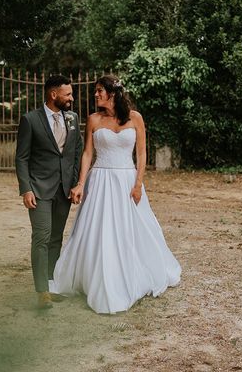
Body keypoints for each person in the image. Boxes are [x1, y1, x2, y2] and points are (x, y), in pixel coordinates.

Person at [49, 75, 181, 314]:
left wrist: (138, 183)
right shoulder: (93, 119)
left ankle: (133, 271)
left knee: (132, 228)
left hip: (127, 180)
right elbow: (88, 154)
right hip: (100, 181)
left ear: (113, 93)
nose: (95, 95)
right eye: (95, 91)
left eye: (99, 91)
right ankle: (97, 277)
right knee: (99, 231)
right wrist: (80, 183)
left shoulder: (135, 118)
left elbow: (141, 154)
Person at [15, 75, 84, 309]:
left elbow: (76, 152)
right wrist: (26, 189)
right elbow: (21, 157)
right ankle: (41, 291)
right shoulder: (30, 120)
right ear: (53, 94)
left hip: (64, 190)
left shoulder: (73, 118)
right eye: (68, 94)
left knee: (56, 238)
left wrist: (74, 184)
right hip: (40, 189)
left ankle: (52, 284)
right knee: (42, 237)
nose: (71, 99)